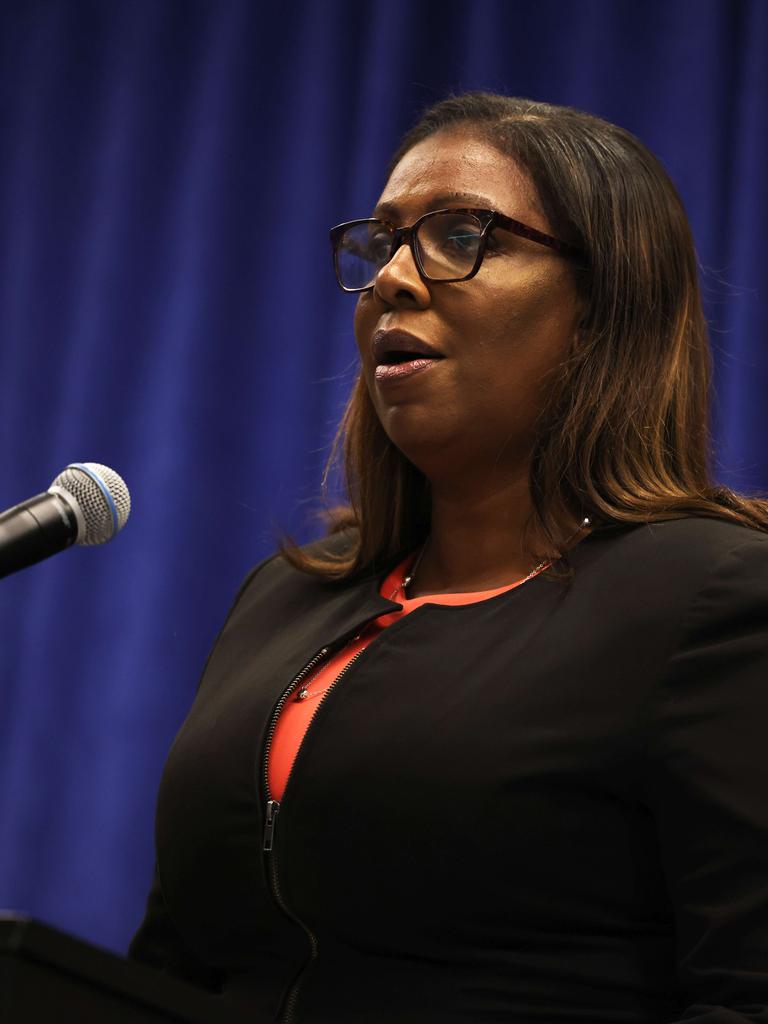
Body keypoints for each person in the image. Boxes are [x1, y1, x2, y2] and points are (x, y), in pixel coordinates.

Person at [129, 93, 768, 1023]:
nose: (393, 278)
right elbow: (171, 971)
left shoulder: (713, 602)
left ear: (603, 306)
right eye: (384, 241)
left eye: (463, 235)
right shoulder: (286, 599)